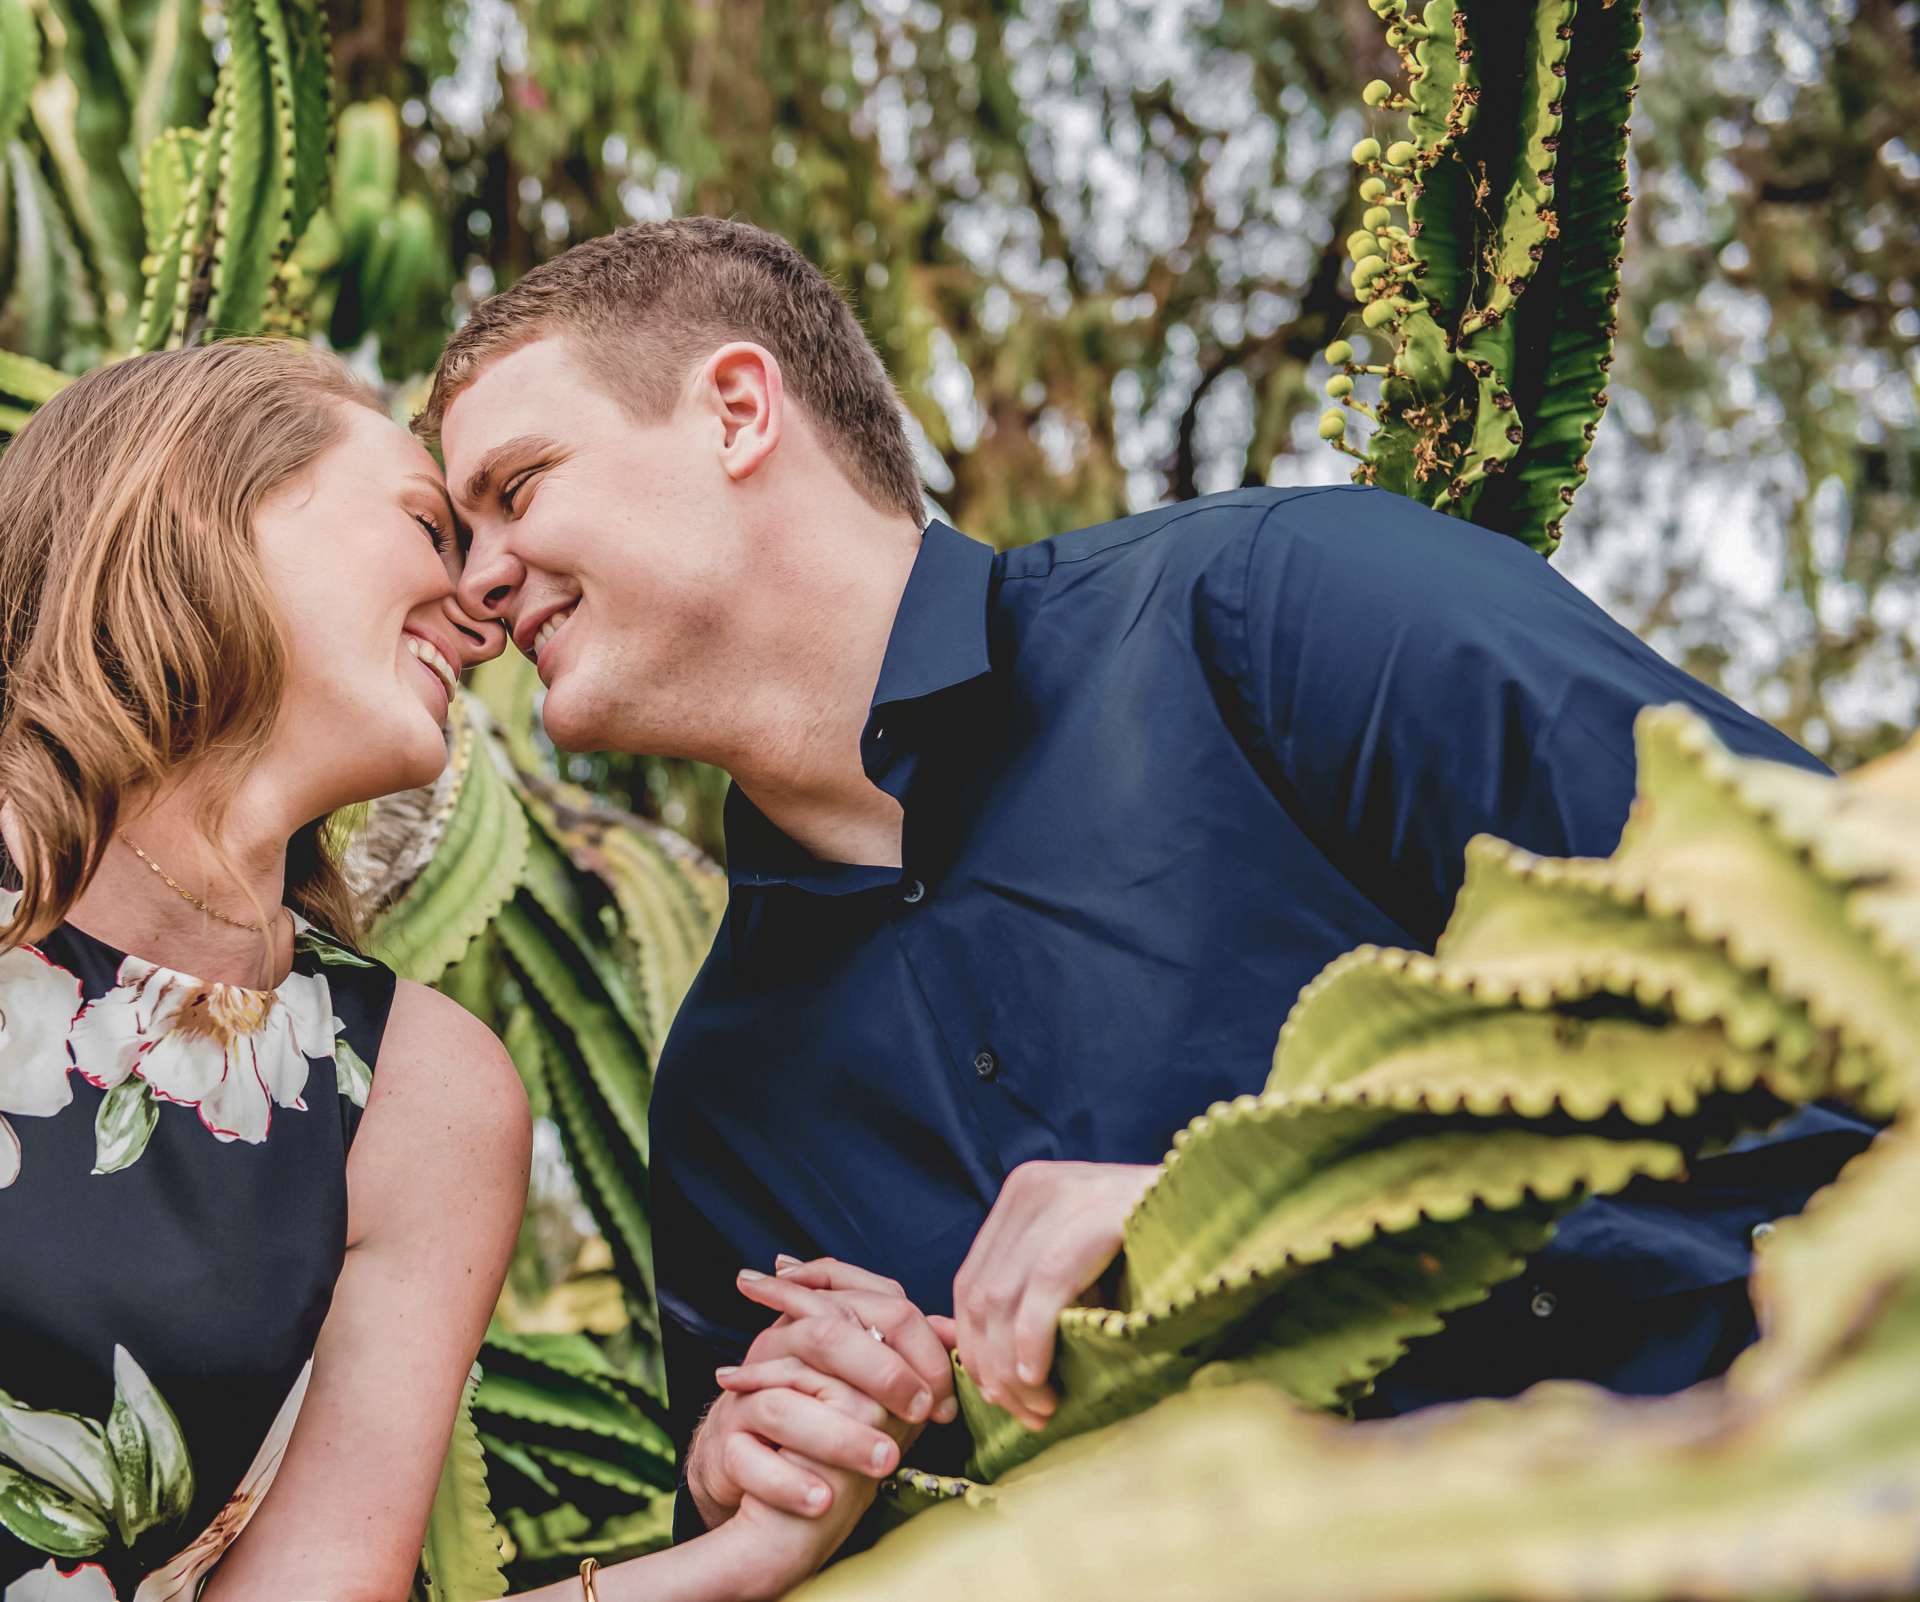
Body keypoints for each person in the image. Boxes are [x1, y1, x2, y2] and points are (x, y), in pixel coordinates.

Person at [417, 217, 1878, 1555]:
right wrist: (761, 1486)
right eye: (458, 532)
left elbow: (1862, 988)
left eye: (516, 487)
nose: (479, 584)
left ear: (738, 410)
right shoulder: (728, 1108)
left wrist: (1258, 1215)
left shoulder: (1287, 612)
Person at [0, 339, 880, 1602]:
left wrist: (735, 1559)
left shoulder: (421, 1105)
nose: (482, 600)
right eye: (428, 525)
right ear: (194, 504)